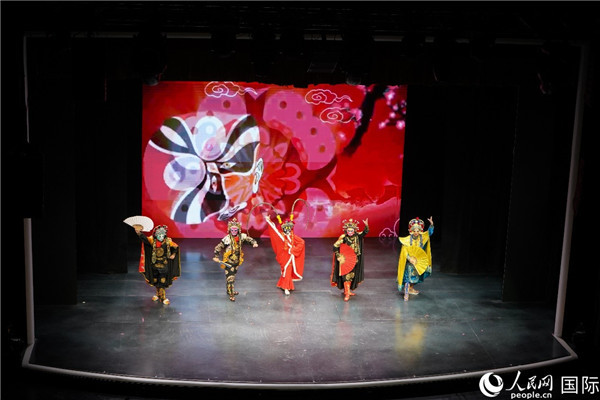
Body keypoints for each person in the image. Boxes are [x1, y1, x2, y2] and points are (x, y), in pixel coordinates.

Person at [213, 217, 258, 302]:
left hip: (237, 261)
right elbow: (219, 247)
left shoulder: (241, 237)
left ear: (238, 230)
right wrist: (216, 256)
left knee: (232, 276)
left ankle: (229, 290)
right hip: (228, 261)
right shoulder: (227, 238)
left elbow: (249, 239)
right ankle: (231, 294)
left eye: (235, 230)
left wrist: (254, 243)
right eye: (232, 230)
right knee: (230, 278)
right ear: (229, 230)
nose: (234, 231)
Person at [134, 224, 181, 305]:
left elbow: (175, 247)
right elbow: (145, 239)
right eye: (159, 234)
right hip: (154, 265)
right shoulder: (152, 240)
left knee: (162, 281)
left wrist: (173, 254)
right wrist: (139, 232)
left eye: (162, 234)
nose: (160, 236)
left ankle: (163, 297)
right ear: (156, 234)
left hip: (164, 265)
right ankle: (158, 294)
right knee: (156, 280)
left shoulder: (168, 241)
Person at [265, 213, 305, 296]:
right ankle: (285, 286)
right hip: (283, 256)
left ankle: (285, 286)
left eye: (289, 228)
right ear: (283, 229)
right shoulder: (281, 236)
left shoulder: (293, 236)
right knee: (286, 270)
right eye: (285, 228)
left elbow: (301, 242)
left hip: (290, 256)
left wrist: (293, 250)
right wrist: (269, 221)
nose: (287, 230)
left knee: (287, 271)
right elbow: (274, 231)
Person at [330, 218, 369, 301]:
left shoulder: (357, 236)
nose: (350, 232)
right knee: (346, 276)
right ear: (346, 231)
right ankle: (347, 293)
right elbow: (335, 246)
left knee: (352, 275)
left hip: (354, 259)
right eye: (348, 231)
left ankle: (347, 291)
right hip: (345, 260)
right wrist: (338, 255)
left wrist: (366, 225)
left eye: (351, 231)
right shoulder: (344, 238)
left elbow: (365, 232)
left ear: (354, 231)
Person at [397, 216, 434, 301]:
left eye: (417, 231)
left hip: (417, 262)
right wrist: (409, 258)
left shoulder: (422, 238)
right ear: (411, 231)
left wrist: (431, 225)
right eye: (414, 231)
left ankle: (411, 288)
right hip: (409, 262)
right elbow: (404, 252)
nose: (416, 233)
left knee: (415, 277)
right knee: (407, 278)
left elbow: (429, 233)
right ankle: (406, 294)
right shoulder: (407, 240)